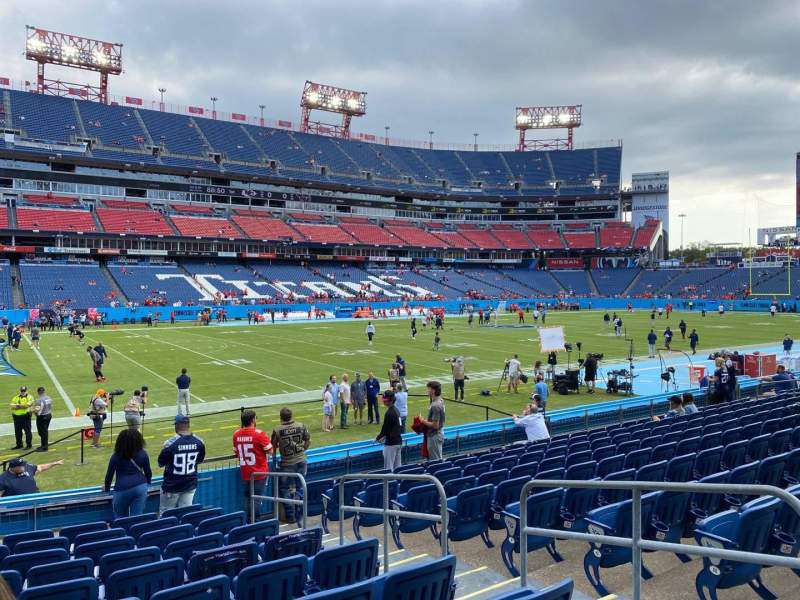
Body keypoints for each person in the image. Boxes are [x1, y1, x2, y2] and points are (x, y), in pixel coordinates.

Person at [158, 415, 205, 513]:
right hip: (190, 484)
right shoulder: (199, 441)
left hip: (172, 485)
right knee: (185, 514)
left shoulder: (170, 443)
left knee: (166, 514)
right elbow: (200, 460)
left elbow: (161, 462)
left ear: (177, 425)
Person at [271, 408, 310, 523]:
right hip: (301, 461)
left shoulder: (277, 430)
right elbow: (308, 441)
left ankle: (290, 515)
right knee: (300, 487)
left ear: (280, 417)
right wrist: (302, 450)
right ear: (291, 416)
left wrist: (274, 460)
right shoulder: (301, 426)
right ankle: (299, 512)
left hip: (287, 463)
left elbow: (273, 446)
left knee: (284, 490)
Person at [233, 409, 273, 519]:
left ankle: (248, 520)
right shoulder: (259, 434)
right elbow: (270, 450)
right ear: (252, 420)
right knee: (256, 499)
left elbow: (236, 452)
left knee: (247, 497)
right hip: (259, 472)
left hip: (246, 472)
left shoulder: (236, 434)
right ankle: (254, 522)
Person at [104, 429, 152, 519]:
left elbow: (109, 476)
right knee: (137, 518)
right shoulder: (143, 454)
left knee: (120, 517)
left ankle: (123, 533)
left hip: (122, 489)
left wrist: (106, 488)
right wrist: (147, 484)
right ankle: (135, 532)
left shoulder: (115, 456)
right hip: (141, 487)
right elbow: (148, 473)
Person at [418, 381, 445, 460]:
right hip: (437, 434)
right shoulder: (440, 400)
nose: (427, 391)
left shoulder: (435, 405)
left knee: (435, 461)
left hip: (434, 436)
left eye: (428, 389)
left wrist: (422, 421)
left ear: (433, 390)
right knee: (437, 458)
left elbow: (435, 425)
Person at [376, 390, 402, 471]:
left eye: (385, 400)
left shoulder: (389, 413)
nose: (384, 402)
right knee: (398, 467)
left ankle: (390, 483)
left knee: (388, 468)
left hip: (391, 444)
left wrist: (378, 438)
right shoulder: (396, 410)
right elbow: (400, 426)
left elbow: (385, 429)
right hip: (398, 442)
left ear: (390, 400)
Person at [32, 386, 52, 451]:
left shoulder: (39, 400)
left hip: (42, 417)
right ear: (44, 391)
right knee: (45, 431)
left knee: (42, 432)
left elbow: (37, 410)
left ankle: (44, 447)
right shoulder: (49, 398)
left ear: (38, 392)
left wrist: (33, 411)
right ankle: (44, 445)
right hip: (48, 415)